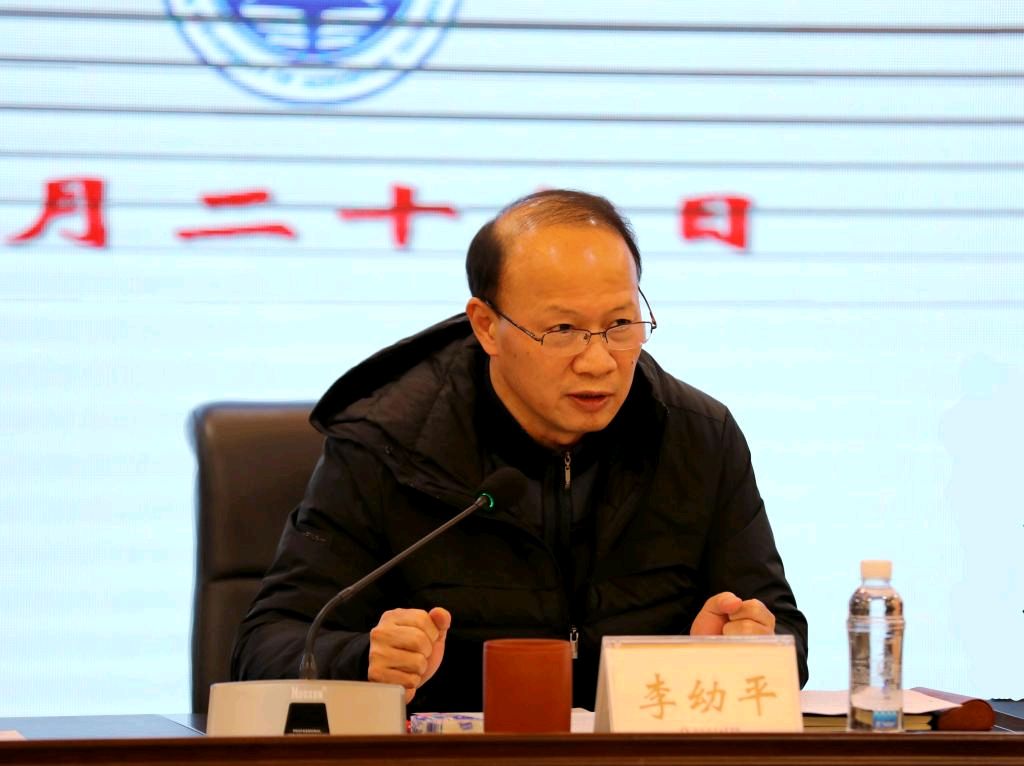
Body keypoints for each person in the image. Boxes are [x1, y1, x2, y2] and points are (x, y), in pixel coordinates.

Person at [231, 189, 808, 712]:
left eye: (620, 324)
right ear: (486, 326)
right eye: (562, 331)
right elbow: (266, 645)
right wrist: (364, 659)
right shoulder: (384, 445)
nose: (599, 362)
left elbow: (782, 632)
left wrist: (742, 647)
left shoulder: (697, 436)